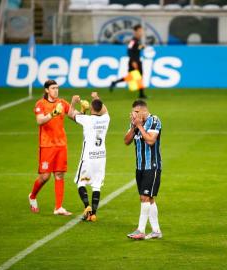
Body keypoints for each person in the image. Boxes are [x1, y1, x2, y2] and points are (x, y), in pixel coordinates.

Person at [28, 79, 73, 216]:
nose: (56, 90)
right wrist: (54, 113)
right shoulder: (40, 104)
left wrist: (81, 108)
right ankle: (32, 196)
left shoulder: (62, 103)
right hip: (47, 145)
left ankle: (58, 207)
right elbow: (40, 120)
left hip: (61, 144)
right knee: (45, 176)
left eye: (57, 88)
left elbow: (73, 115)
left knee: (59, 174)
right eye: (53, 88)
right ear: (47, 90)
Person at [68, 92, 110, 222]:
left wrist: (73, 101)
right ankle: (93, 215)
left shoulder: (87, 120)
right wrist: (96, 98)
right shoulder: (106, 119)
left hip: (88, 157)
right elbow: (104, 109)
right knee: (96, 185)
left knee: (81, 182)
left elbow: (70, 114)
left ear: (91, 108)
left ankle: (87, 207)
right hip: (101, 157)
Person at [124, 100, 162, 240]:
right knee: (149, 199)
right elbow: (126, 141)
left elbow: (151, 140)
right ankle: (156, 231)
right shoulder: (135, 124)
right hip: (140, 166)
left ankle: (140, 230)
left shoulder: (154, 120)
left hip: (152, 166)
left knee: (145, 197)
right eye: (132, 112)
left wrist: (139, 126)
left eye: (136, 112)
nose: (133, 114)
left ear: (143, 111)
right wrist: (134, 127)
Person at [109, 24, 147, 99]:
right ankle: (141, 95)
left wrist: (142, 47)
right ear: (135, 32)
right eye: (140, 31)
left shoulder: (137, 41)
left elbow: (136, 49)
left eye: (141, 31)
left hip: (137, 61)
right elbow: (129, 50)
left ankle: (115, 82)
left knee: (135, 77)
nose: (141, 33)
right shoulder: (133, 41)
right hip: (134, 62)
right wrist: (133, 61)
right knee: (136, 77)